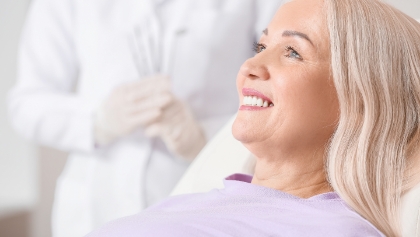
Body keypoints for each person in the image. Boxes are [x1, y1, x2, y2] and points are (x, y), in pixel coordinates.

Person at [85, 0, 420, 236]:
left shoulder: (334, 230)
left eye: (293, 52)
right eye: (261, 47)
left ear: (359, 100)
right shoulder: (186, 203)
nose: (248, 67)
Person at [7, 0, 284, 236]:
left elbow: (282, 92)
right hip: (94, 206)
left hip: (201, 197)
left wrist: (204, 137)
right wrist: (97, 121)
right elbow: (25, 104)